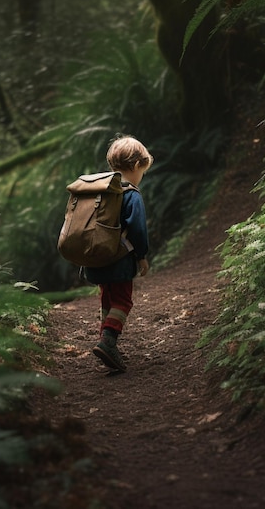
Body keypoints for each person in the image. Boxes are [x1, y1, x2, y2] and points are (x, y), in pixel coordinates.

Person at [84, 135, 153, 372]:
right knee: (123, 300)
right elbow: (137, 228)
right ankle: (108, 341)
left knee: (107, 297)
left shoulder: (99, 190)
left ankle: (106, 337)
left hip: (96, 257)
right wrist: (142, 255)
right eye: (142, 171)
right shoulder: (131, 194)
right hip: (120, 259)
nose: (141, 177)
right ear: (135, 166)